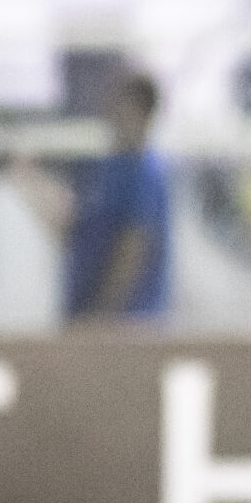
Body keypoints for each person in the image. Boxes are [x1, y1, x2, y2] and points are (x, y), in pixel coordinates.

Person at [63, 71, 172, 321]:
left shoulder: (146, 172)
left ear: (142, 113)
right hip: (87, 314)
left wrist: (102, 312)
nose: (113, 114)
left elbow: (134, 246)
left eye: (122, 106)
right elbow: (78, 229)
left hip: (128, 321)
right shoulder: (108, 168)